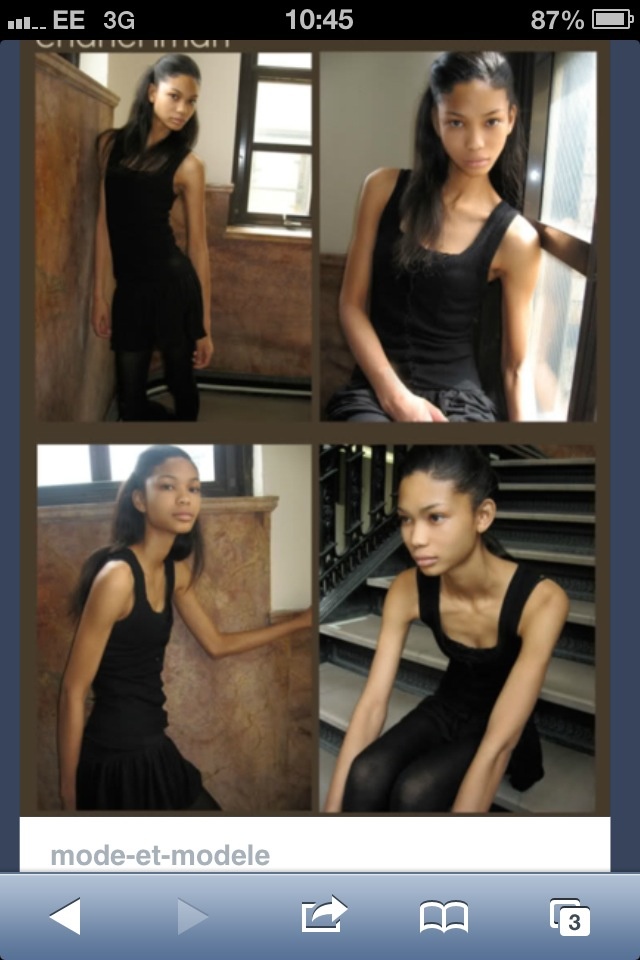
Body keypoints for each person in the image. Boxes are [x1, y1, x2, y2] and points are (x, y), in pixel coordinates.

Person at [58, 446, 311, 811]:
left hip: (152, 744)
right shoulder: (117, 577)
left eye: (194, 488)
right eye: (167, 486)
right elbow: (72, 689)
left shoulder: (175, 572)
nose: (185, 498)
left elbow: (217, 643)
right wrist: (69, 792)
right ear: (139, 500)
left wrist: (299, 623)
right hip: (117, 756)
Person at [324, 446, 569, 813]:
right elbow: (373, 704)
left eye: (435, 517)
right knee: (365, 773)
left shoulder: (542, 601)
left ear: (482, 515)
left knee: (414, 792)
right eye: (406, 519)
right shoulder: (407, 589)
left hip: (500, 720)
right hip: (445, 706)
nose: (415, 538)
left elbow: (499, 743)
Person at [326, 52, 541, 423]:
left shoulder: (517, 238)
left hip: (461, 404)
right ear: (435, 121)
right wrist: (397, 399)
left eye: (491, 121)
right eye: (456, 122)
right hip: (375, 393)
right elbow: (351, 305)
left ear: (511, 118)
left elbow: (516, 369)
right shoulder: (382, 188)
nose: (476, 143)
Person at [92, 55, 214, 421]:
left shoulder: (189, 165)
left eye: (190, 101)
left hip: (173, 289)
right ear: (150, 92)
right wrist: (100, 295)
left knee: (182, 385)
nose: (182, 109)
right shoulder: (109, 145)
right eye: (174, 96)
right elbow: (104, 224)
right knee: (130, 401)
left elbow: (198, 248)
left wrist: (204, 325)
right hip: (130, 291)